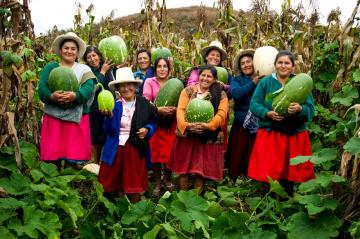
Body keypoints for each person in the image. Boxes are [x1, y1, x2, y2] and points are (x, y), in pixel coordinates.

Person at [248, 50, 315, 196]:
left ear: (292, 66)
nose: (283, 66)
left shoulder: (301, 82)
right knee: (268, 170)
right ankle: (268, 201)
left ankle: (285, 200)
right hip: (270, 133)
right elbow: (254, 104)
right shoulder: (266, 82)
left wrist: (300, 109)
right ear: (275, 65)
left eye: (287, 63)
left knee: (288, 171)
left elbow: (311, 109)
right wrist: (267, 113)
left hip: (293, 133)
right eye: (280, 62)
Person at [98, 67, 157, 203]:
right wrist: (109, 117)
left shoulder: (144, 104)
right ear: (118, 89)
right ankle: (120, 207)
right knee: (118, 180)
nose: (126, 89)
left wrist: (148, 130)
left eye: (129, 85)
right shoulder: (115, 105)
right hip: (117, 148)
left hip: (135, 148)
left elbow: (154, 121)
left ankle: (134, 210)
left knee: (134, 182)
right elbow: (109, 131)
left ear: (135, 86)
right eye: (122, 86)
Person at [38, 32, 96, 168]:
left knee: (73, 157)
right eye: (66, 48)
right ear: (60, 50)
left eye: (73, 48)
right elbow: (42, 89)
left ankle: (70, 183)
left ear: (77, 52)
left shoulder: (84, 69)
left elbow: (88, 90)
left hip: (77, 118)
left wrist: (75, 96)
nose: (69, 51)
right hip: (54, 117)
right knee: (53, 157)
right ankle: (53, 182)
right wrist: (52, 97)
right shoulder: (50, 68)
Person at [168, 65, 229, 193]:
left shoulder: (220, 94)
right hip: (187, 136)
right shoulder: (188, 91)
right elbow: (180, 111)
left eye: (209, 76)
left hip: (207, 138)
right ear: (199, 76)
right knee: (183, 170)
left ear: (214, 79)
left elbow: (222, 114)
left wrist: (209, 126)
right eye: (203, 75)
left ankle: (195, 200)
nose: (205, 78)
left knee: (200, 172)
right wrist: (186, 125)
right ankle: (182, 197)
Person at [143, 57, 177, 196]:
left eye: (165, 66)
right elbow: (146, 101)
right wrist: (158, 109)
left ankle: (166, 179)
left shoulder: (175, 83)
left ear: (169, 69)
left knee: (170, 152)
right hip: (155, 121)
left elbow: (181, 101)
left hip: (171, 122)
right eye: (159, 66)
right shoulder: (149, 82)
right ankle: (157, 182)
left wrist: (175, 109)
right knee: (156, 153)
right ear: (155, 68)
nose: (162, 69)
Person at [227, 49, 263, 179]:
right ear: (240, 67)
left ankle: (252, 176)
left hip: (259, 121)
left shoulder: (263, 78)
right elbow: (236, 95)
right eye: (243, 63)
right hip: (241, 121)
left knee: (254, 152)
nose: (246, 65)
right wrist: (253, 83)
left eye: (249, 61)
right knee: (239, 152)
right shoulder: (237, 80)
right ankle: (237, 176)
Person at [83, 46, 115, 164]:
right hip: (94, 109)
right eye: (89, 57)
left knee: (108, 136)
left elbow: (113, 86)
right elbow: (93, 89)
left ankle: (106, 165)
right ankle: (96, 164)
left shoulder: (109, 69)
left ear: (99, 56)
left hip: (109, 108)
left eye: (94, 55)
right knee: (96, 139)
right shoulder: (87, 72)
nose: (92, 59)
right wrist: (102, 72)